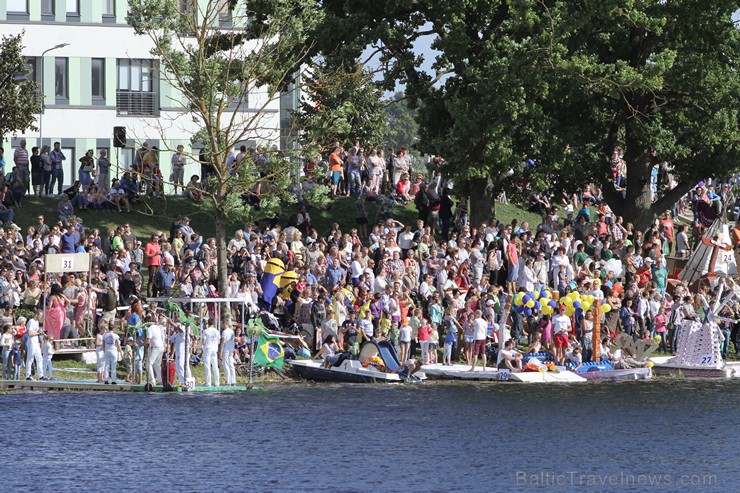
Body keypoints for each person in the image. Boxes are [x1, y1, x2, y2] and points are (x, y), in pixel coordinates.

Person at [146, 315, 166, 386]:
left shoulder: (149, 329)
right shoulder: (157, 327)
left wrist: (139, 345)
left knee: (148, 364)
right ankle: (161, 380)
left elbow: (148, 341)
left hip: (155, 347)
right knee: (157, 365)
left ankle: (152, 380)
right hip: (161, 347)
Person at [202, 319, 221, 387]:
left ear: (208, 323)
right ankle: (217, 382)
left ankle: (208, 382)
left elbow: (203, 342)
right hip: (214, 349)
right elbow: (218, 341)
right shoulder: (217, 331)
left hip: (207, 348)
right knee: (215, 366)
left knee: (207, 366)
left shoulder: (205, 331)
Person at [24, 316, 42, 380]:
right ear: (37, 315)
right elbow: (29, 333)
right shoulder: (31, 321)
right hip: (31, 342)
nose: (41, 317)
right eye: (41, 315)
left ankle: (41, 376)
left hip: (36, 342)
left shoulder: (37, 322)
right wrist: (38, 333)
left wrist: (40, 331)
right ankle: (28, 375)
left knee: (39, 358)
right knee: (30, 358)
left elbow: (36, 332)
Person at [220, 321, 236, 386]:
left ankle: (229, 381)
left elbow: (223, 342)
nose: (222, 325)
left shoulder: (224, 332)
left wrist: (220, 352)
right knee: (231, 365)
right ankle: (233, 381)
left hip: (226, 349)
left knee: (225, 364)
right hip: (231, 349)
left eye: (222, 324)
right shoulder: (232, 332)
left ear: (225, 324)